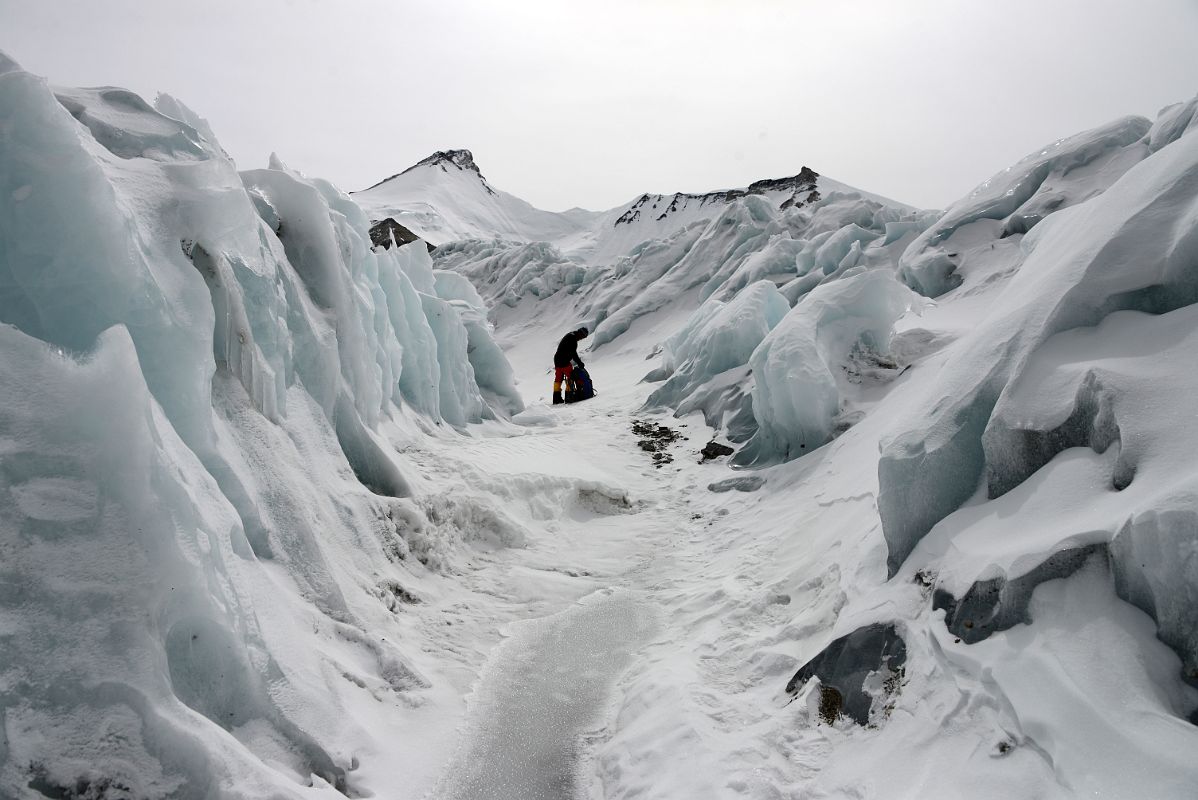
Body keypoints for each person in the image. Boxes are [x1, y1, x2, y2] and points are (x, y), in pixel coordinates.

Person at [552, 327, 589, 404]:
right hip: (564, 361)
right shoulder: (573, 339)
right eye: (583, 337)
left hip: (557, 360)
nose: (581, 339)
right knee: (571, 377)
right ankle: (569, 397)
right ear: (580, 333)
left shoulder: (570, 335)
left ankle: (556, 398)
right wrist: (579, 363)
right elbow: (573, 353)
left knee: (558, 379)